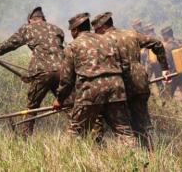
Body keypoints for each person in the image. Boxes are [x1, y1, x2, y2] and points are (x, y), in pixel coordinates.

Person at [0, 6, 64, 136]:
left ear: (30, 20)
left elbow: (10, 44)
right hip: (63, 72)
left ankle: (25, 138)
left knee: (32, 107)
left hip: (42, 73)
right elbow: (55, 52)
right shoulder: (57, 30)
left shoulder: (27, 28)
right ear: (43, 19)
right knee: (70, 104)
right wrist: (30, 76)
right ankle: (86, 133)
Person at [91, 12, 170, 150]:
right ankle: (149, 153)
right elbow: (157, 43)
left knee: (122, 123)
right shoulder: (131, 34)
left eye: (96, 29)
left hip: (120, 83)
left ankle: (132, 155)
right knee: (141, 121)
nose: (96, 32)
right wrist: (164, 68)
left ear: (102, 27)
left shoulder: (102, 40)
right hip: (140, 81)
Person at [52, 12, 135, 144]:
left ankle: (65, 160)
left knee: (76, 131)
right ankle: (137, 159)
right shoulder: (108, 40)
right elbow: (125, 65)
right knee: (123, 130)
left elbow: (67, 79)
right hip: (116, 88)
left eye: (71, 31)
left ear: (75, 30)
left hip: (90, 90)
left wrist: (59, 99)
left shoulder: (73, 46)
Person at [160, 26, 182, 98]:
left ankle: (167, 109)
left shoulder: (168, 47)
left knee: (167, 96)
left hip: (174, 75)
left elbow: (167, 62)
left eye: (163, 36)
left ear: (166, 35)